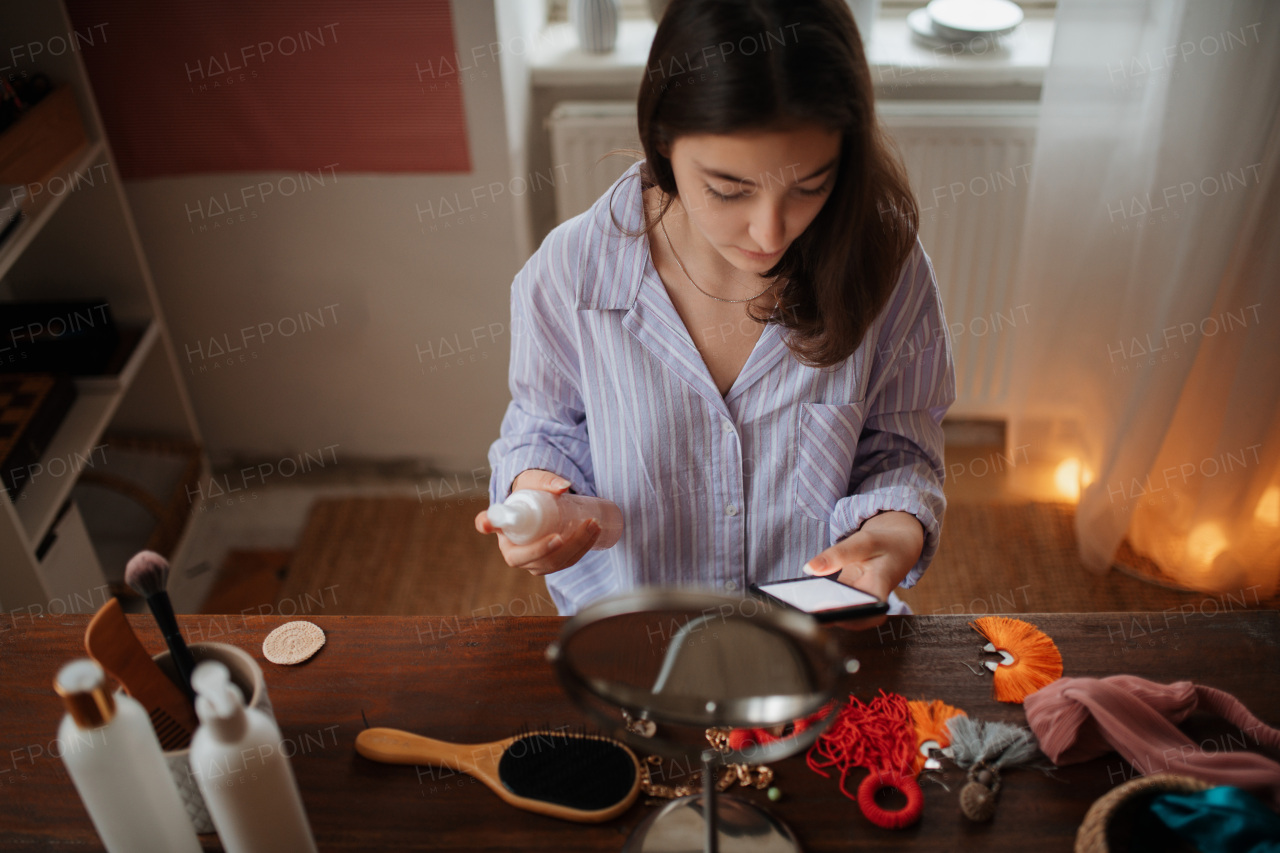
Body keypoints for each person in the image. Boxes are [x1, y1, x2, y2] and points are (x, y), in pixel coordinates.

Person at [476, 0, 955, 623]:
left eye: (811, 185)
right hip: (635, 633)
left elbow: (899, 444)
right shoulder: (573, 272)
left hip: (819, 638)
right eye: (728, 189)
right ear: (663, 140)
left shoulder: (885, 262)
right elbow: (545, 426)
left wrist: (893, 532)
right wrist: (539, 492)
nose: (770, 229)